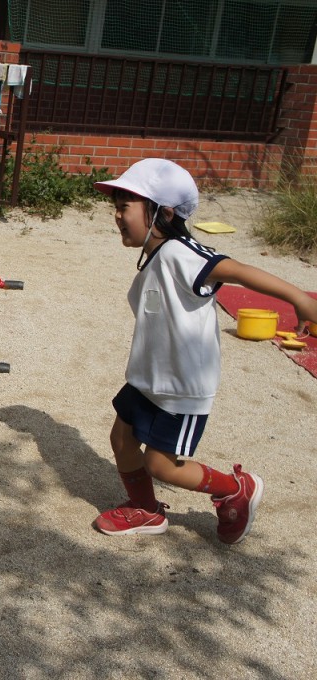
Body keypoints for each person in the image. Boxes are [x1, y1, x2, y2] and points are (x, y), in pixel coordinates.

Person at [92, 158, 317, 544]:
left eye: (125, 206)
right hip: (148, 378)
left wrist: (299, 298)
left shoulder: (181, 253)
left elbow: (235, 269)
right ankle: (146, 510)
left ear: (162, 213)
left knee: (161, 464)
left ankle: (234, 488)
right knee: (122, 439)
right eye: (116, 206)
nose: (117, 215)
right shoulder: (157, 256)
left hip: (180, 387)